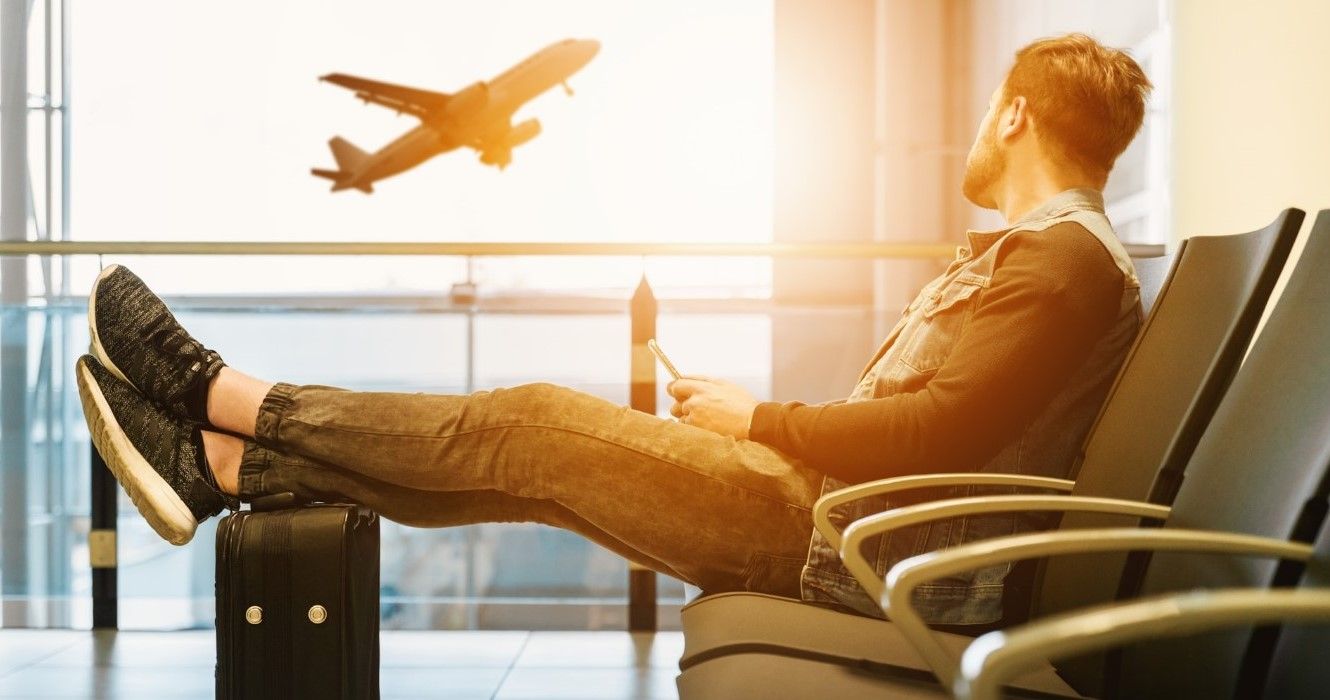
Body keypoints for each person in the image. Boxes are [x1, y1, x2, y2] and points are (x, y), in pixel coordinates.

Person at [76, 33, 1151, 626]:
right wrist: (762, 425)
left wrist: (762, 418)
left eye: (984, 113)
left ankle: (217, 393)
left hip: (846, 546)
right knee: (535, 472)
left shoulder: (1059, 262)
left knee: (531, 424)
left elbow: (938, 434)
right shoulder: (1052, 260)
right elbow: (940, 428)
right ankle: (223, 465)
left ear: (1012, 114)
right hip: (844, 528)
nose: (973, 132)